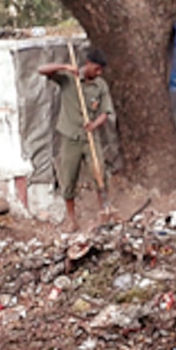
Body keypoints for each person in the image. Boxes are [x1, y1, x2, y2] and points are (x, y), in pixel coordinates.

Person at [39, 47, 115, 232]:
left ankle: (104, 213)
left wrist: (94, 124)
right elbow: (42, 69)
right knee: (68, 179)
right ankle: (71, 220)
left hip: (90, 137)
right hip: (70, 137)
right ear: (87, 64)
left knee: (99, 174)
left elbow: (105, 112)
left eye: (101, 70)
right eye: (96, 69)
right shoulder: (68, 79)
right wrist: (65, 66)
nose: (99, 73)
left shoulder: (100, 86)